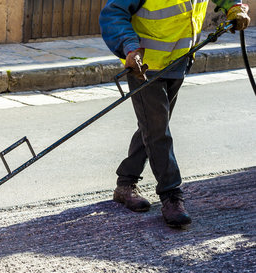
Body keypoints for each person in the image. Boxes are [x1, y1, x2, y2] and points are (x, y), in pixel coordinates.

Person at [99, 0, 251, 228]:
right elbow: (112, 14)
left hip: (179, 61)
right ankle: (171, 195)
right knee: (158, 129)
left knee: (152, 127)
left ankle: (125, 184)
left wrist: (234, 7)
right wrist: (129, 47)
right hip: (144, 68)